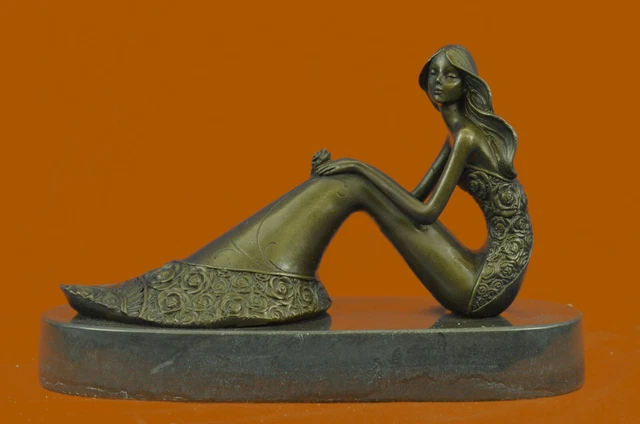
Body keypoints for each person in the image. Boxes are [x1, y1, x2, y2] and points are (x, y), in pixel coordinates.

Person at [62, 45, 532, 327]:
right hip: (483, 273)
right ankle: (246, 276)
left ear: (467, 84)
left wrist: (357, 166)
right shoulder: (455, 136)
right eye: (433, 73)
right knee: (349, 183)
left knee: (352, 182)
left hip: (483, 285)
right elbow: (410, 199)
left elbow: (424, 214)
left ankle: (243, 281)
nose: (437, 82)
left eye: (449, 75)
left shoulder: (467, 137)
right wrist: (352, 173)